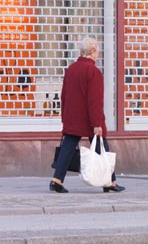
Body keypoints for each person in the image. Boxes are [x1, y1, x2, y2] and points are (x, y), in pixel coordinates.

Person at [49, 37, 125, 194]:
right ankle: (110, 182)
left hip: (73, 116)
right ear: (92, 51)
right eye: (97, 51)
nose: (98, 54)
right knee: (102, 147)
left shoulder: (71, 69)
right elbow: (94, 100)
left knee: (68, 147)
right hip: (89, 118)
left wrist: (65, 116)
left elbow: (64, 95)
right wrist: (97, 123)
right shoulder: (93, 72)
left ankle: (56, 180)